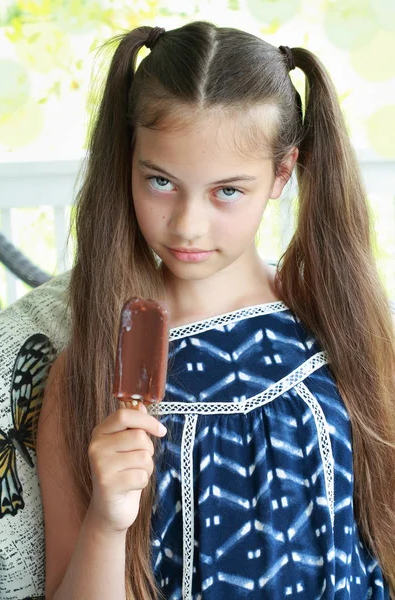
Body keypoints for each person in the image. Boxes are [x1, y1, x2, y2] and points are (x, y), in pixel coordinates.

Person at [33, 20, 395, 600]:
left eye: (228, 190)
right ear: (128, 161)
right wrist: (107, 519)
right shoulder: (89, 373)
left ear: (282, 173)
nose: (187, 225)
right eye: (160, 181)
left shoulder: (339, 327)